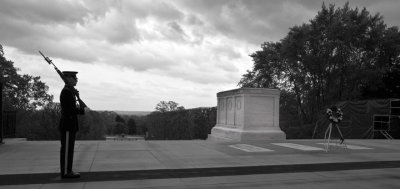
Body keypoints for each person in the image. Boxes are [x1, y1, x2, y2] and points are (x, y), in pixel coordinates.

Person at [59, 71, 85, 179]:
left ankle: (68, 170)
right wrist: (80, 109)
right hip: (68, 125)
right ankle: (66, 172)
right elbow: (69, 110)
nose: (76, 80)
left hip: (70, 124)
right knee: (66, 150)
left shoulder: (70, 91)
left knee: (69, 149)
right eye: (74, 78)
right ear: (68, 79)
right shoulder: (66, 92)